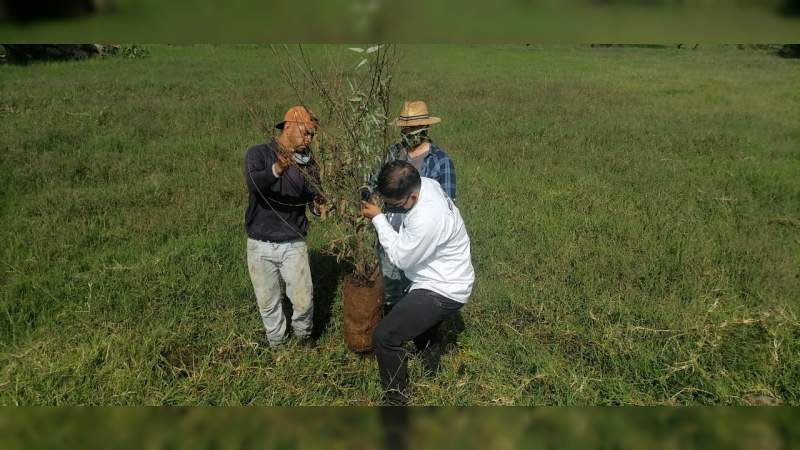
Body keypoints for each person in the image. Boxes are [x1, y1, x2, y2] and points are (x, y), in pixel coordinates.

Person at [361, 161, 475, 405]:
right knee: (422, 327)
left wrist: (379, 219)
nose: (395, 209)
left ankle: (396, 400)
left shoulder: (427, 217)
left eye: (398, 204)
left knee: (385, 336)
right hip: (444, 276)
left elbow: (401, 258)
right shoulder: (427, 183)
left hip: (443, 288)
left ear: (412, 195)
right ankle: (432, 371)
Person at [243, 105, 324, 348]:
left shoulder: (309, 163)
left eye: (311, 135)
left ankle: (303, 337)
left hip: (293, 240)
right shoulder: (258, 154)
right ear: (288, 127)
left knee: (303, 300)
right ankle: (276, 343)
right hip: (260, 242)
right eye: (306, 132)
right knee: (268, 302)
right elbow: (253, 183)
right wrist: (278, 169)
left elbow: (313, 195)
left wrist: (319, 206)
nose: (309, 139)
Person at [369, 100, 458, 312]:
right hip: (391, 227)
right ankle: (393, 324)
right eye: (404, 129)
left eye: (412, 129)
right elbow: (374, 181)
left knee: (419, 285)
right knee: (391, 283)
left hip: (422, 233)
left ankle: (422, 338)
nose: (407, 133)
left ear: (425, 129)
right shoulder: (392, 153)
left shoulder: (440, 161)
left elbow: (447, 205)